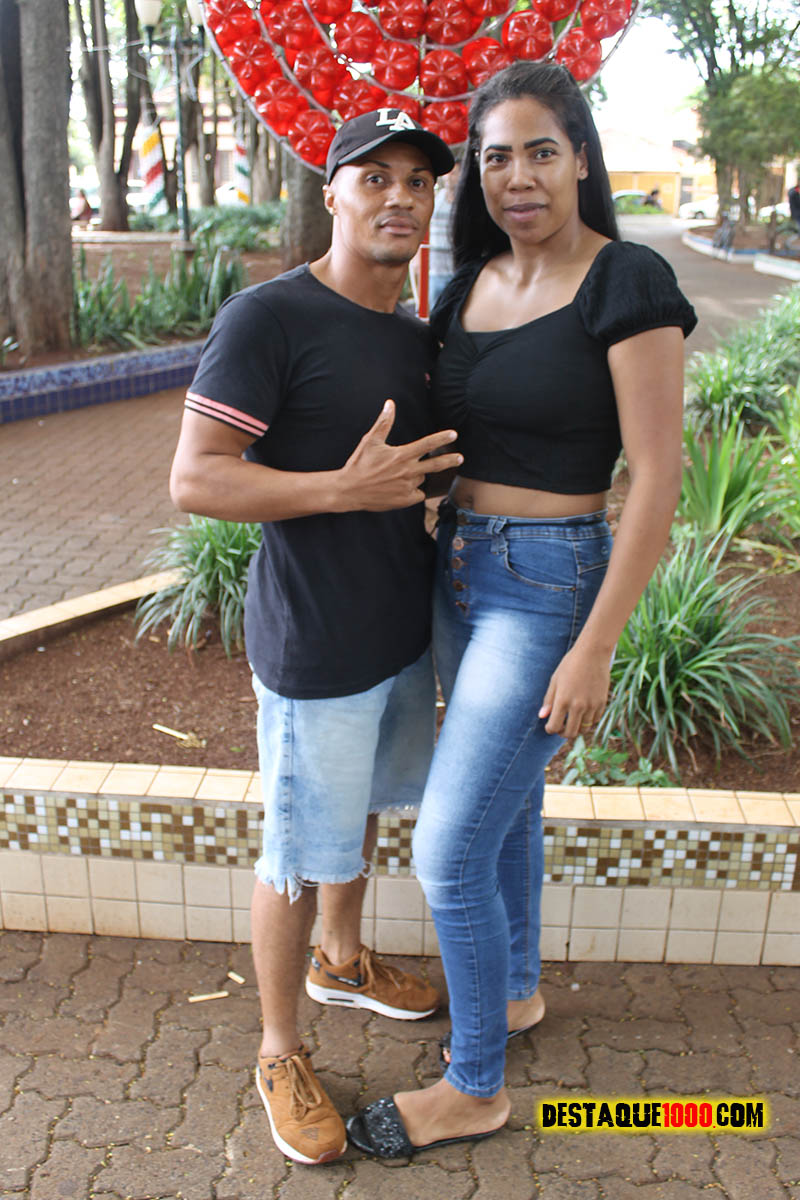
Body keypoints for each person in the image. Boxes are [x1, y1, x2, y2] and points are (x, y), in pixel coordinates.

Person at [346, 61, 697, 1159]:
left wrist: (597, 645)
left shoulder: (625, 280)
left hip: (551, 584)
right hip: (459, 571)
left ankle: (474, 1088)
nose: (518, 176)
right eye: (496, 157)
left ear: (580, 158)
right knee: (507, 810)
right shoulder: (467, 288)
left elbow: (656, 478)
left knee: (447, 848)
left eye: (541, 151)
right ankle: (512, 993)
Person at [169, 109, 460, 1166]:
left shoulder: (413, 335)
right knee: (296, 850)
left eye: (417, 181)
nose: (398, 197)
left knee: (363, 812)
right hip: (313, 643)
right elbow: (195, 478)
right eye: (374, 177)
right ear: (330, 193)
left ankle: (342, 958)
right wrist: (341, 488)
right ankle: (280, 1048)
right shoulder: (269, 318)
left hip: (397, 630)